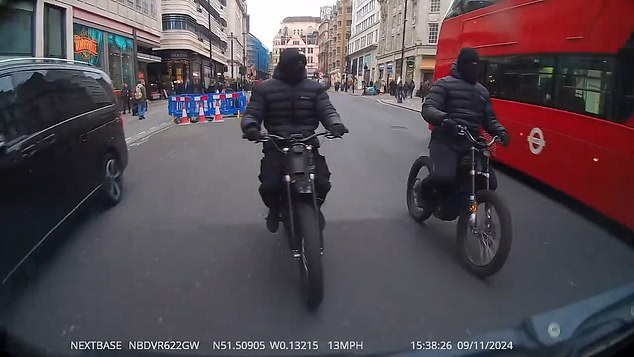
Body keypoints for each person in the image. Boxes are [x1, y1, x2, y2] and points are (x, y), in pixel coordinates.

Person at [241, 48, 348, 233]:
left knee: (322, 182)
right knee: (270, 185)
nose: (298, 67)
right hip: (277, 143)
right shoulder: (264, 88)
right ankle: (274, 209)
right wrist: (251, 127)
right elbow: (253, 113)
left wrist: (335, 124)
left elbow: (327, 110)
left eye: (301, 64)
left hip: (307, 142)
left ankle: (315, 207)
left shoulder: (315, 88)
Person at [418, 47, 511, 210]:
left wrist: (500, 131)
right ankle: (423, 190)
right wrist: (444, 119)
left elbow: (489, 119)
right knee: (445, 176)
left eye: (476, 65)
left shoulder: (482, 92)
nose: (473, 68)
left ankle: (465, 205)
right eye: (470, 64)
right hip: (445, 139)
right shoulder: (444, 84)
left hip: (471, 142)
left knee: (489, 182)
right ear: (461, 65)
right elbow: (429, 107)